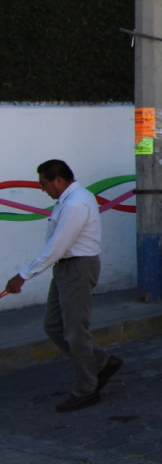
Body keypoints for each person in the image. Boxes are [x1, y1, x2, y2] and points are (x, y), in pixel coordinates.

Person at [4, 160, 122, 413]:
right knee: (54, 326)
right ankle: (102, 362)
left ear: (57, 179)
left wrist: (23, 275)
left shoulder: (76, 203)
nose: (42, 189)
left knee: (75, 331)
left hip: (77, 268)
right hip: (66, 268)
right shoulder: (69, 200)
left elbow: (57, 246)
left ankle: (86, 390)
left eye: (43, 183)